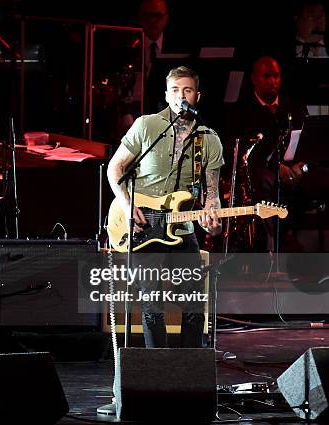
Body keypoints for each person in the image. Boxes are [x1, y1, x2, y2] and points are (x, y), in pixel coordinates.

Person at [98, 65, 224, 414]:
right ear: (166, 94)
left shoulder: (209, 139)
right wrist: (128, 203)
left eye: (187, 90)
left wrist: (213, 219)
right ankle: (159, 382)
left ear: (197, 95)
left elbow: (211, 193)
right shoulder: (147, 126)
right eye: (174, 90)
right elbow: (115, 169)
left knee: (193, 309)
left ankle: (188, 381)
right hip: (139, 226)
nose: (181, 96)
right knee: (152, 308)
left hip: (181, 229)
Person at [224, 56, 309, 251]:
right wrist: (277, 168)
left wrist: (301, 168)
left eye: (276, 76)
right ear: (254, 78)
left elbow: (309, 146)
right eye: (266, 76)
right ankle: (274, 240)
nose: (273, 81)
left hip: (296, 169)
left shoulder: (294, 107)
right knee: (264, 181)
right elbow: (242, 154)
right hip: (262, 171)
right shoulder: (241, 112)